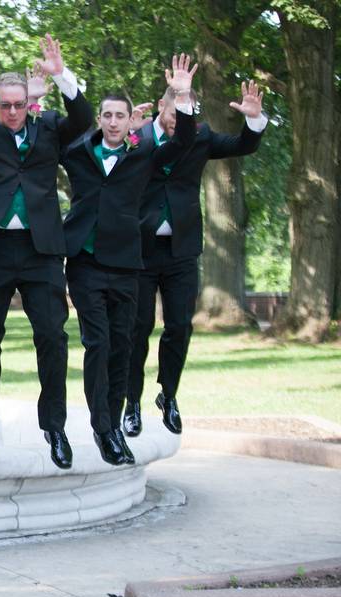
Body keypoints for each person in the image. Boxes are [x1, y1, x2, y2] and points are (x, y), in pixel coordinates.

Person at [0, 18, 93, 470]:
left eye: (19, 105)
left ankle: (55, 428)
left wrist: (61, 75)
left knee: (53, 336)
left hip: (40, 249)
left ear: (30, 103)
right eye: (6, 105)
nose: (13, 112)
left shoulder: (49, 128)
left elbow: (83, 119)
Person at [60, 55, 198, 465]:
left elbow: (184, 141)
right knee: (97, 343)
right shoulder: (78, 152)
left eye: (121, 115)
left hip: (126, 265)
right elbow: (55, 133)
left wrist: (183, 95)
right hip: (84, 264)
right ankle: (102, 427)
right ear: (100, 119)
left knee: (122, 344)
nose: (114, 121)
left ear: (129, 119)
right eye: (107, 115)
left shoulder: (144, 155)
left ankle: (116, 422)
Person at [122, 80, 267, 437]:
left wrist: (254, 120)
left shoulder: (200, 136)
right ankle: (131, 402)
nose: (177, 122)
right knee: (135, 330)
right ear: (161, 106)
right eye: (173, 114)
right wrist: (124, 136)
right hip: (139, 251)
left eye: (184, 114)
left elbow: (243, 145)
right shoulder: (137, 135)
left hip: (182, 251)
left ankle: (168, 395)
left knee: (179, 326)